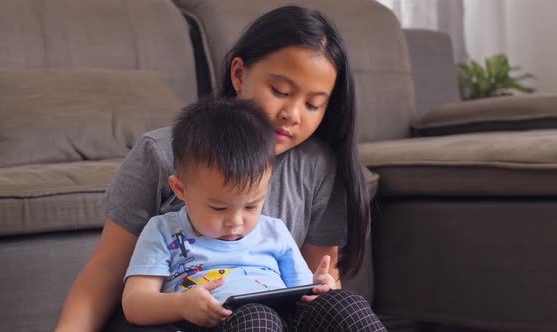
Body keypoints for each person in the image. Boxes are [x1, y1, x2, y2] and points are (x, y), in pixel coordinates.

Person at [56, 5, 380, 332]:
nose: (293, 114)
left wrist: (324, 286)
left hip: (280, 315)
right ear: (239, 75)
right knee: (257, 317)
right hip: (194, 319)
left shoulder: (317, 167)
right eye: (280, 92)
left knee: (347, 306)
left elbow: (316, 281)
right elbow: (106, 273)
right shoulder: (163, 153)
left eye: (313, 104)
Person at [123, 98, 361, 331]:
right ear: (181, 189)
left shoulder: (274, 231)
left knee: (343, 304)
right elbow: (134, 304)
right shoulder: (164, 232)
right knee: (258, 316)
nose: (236, 222)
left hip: (286, 319)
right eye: (218, 208)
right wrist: (182, 305)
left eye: (251, 206)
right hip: (217, 322)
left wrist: (318, 290)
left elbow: (300, 295)